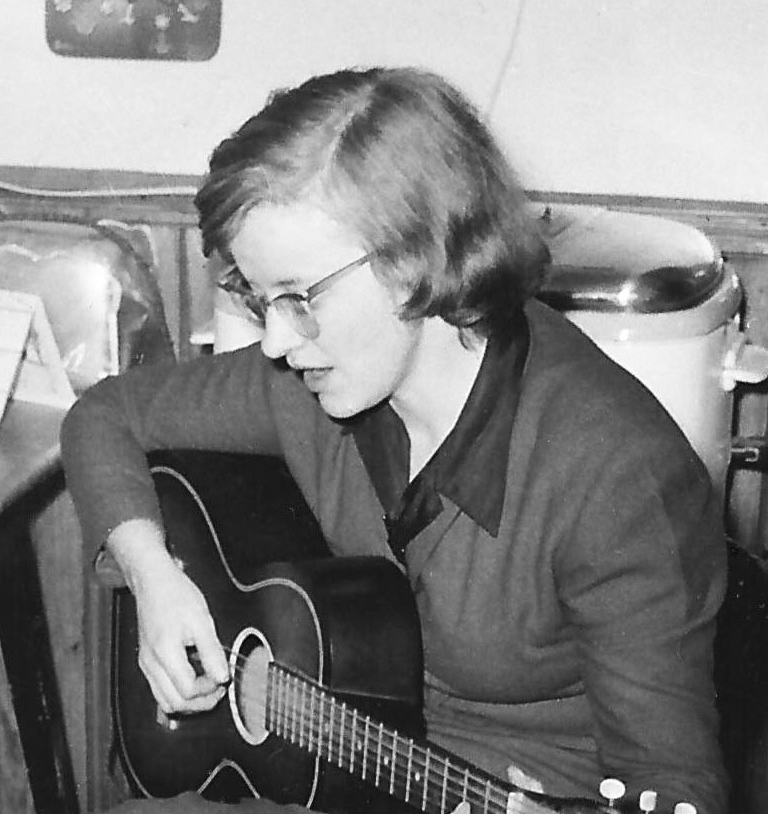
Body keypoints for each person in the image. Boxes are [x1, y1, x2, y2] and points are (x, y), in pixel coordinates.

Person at [61, 66, 727, 814]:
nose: (276, 343)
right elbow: (104, 416)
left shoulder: (614, 475)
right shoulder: (313, 383)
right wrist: (155, 577)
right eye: (258, 297)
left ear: (420, 258)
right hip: (332, 768)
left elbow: (676, 786)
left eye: (298, 298)